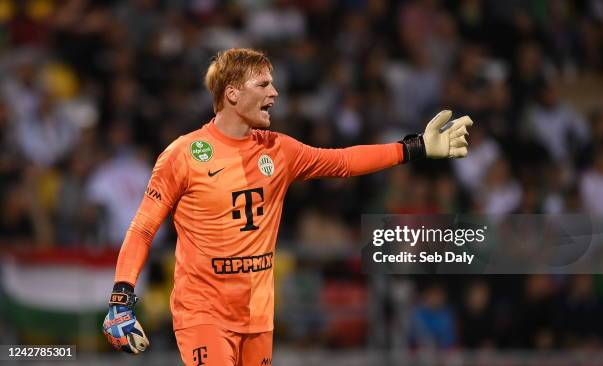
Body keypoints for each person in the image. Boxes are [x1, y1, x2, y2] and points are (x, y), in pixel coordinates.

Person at [102, 48, 473, 366]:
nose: (275, 93)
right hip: (203, 313)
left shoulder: (279, 150)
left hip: (258, 317)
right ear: (232, 93)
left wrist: (414, 147)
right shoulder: (183, 155)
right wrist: (121, 298)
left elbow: (342, 162)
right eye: (263, 85)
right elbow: (142, 228)